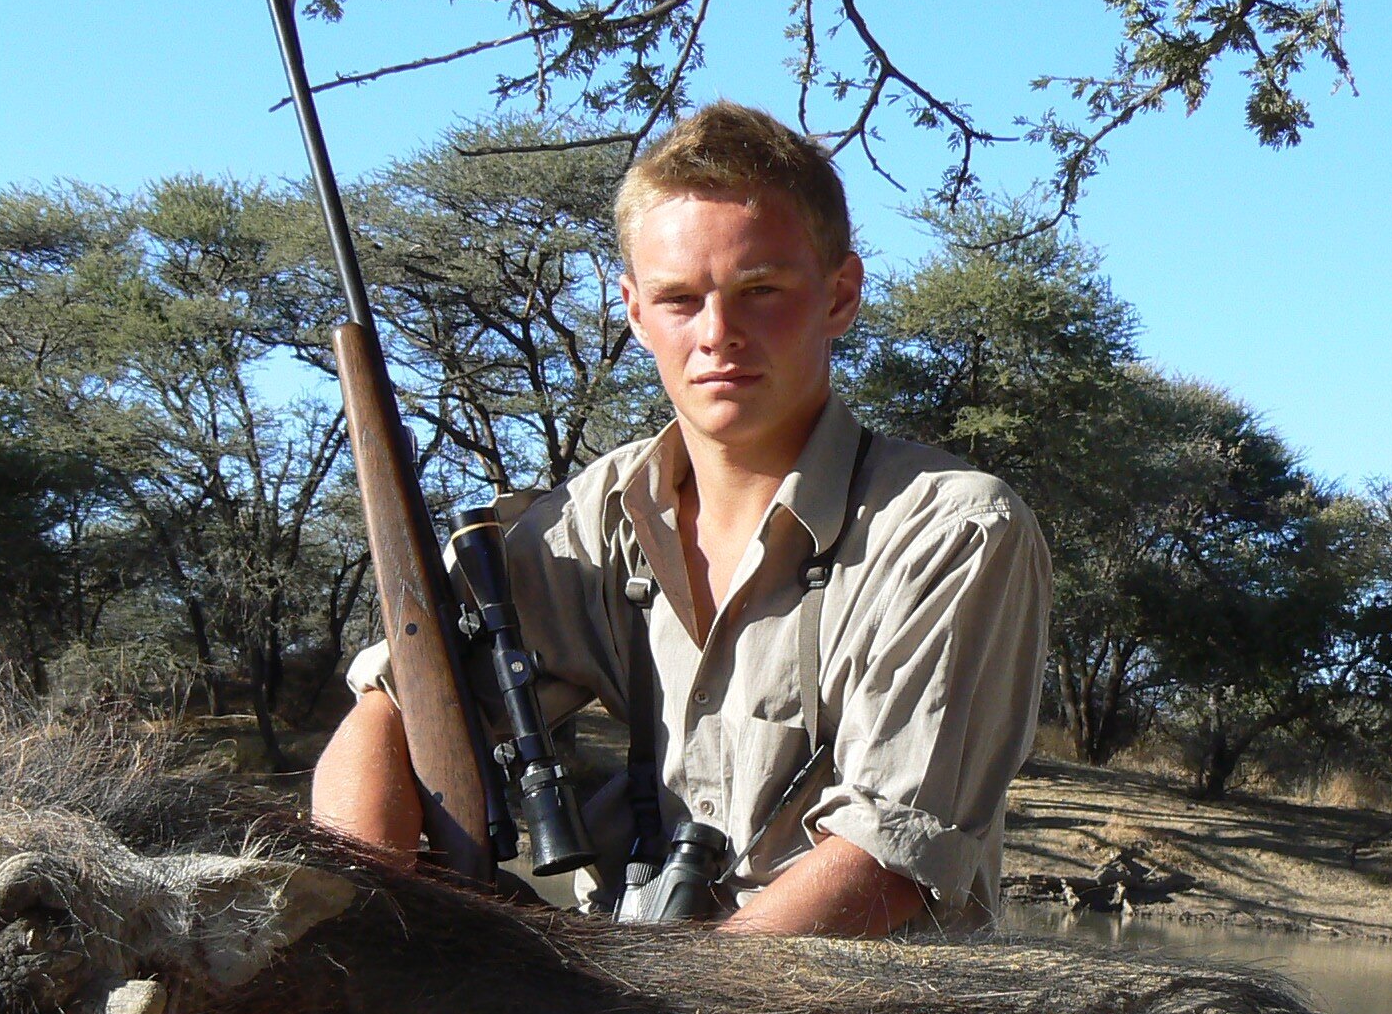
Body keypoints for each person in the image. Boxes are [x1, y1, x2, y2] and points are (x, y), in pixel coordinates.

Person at [312, 101, 1051, 938]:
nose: (717, 335)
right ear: (633, 311)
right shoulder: (592, 517)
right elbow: (398, 699)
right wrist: (363, 924)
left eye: (759, 292)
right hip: (627, 1002)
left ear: (840, 294)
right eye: (678, 299)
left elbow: (886, 869)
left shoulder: (955, 531)